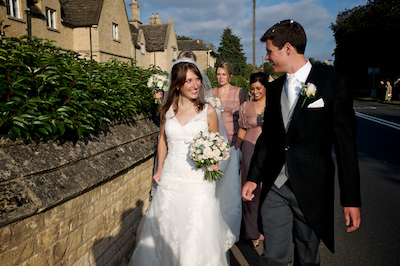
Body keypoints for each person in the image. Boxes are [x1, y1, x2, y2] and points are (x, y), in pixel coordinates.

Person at [241, 20, 361, 266]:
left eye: (270, 51)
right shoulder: (273, 90)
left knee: (307, 258)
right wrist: (254, 177)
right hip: (275, 187)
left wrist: (351, 199)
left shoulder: (333, 85)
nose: (266, 57)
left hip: (311, 189)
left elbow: (346, 147)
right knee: (273, 256)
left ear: (287, 48)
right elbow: (268, 139)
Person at [129, 58, 238, 266]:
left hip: (198, 182)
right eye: (189, 81)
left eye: (197, 79)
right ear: (177, 84)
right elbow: (162, 140)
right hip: (171, 178)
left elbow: (217, 143)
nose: (196, 85)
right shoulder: (167, 110)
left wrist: (214, 161)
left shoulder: (208, 111)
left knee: (195, 233)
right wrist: (160, 168)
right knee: (167, 229)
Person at [236, 72, 268, 247]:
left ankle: (265, 227)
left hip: (269, 151)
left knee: (266, 189)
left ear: (265, 87)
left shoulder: (275, 104)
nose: (255, 92)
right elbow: (241, 129)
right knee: (250, 190)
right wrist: (237, 149)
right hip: (249, 148)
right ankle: (251, 230)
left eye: (258, 88)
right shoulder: (245, 106)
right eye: (252, 88)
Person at [213, 61, 248, 147]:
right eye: (218, 74)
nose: (221, 77)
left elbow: (245, 120)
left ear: (230, 76)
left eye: (224, 74)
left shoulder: (239, 92)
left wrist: (238, 144)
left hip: (235, 140)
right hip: (215, 141)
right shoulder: (210, 93)